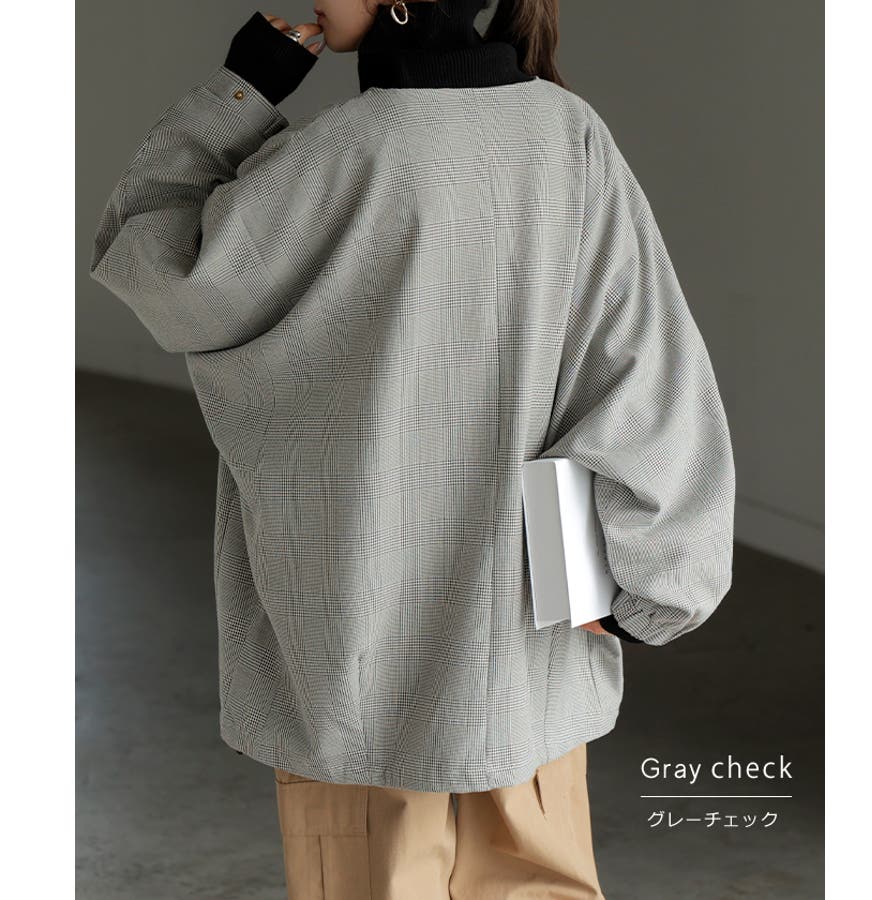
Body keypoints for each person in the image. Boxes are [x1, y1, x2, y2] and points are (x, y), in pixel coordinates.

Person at [88, 1, 736, 896]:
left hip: (357, 658)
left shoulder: (341, 153)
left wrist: (243, 88)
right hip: (525, 661)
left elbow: (150, 260)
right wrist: (657, 582)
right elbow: (644, 367)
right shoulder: (569, 135)